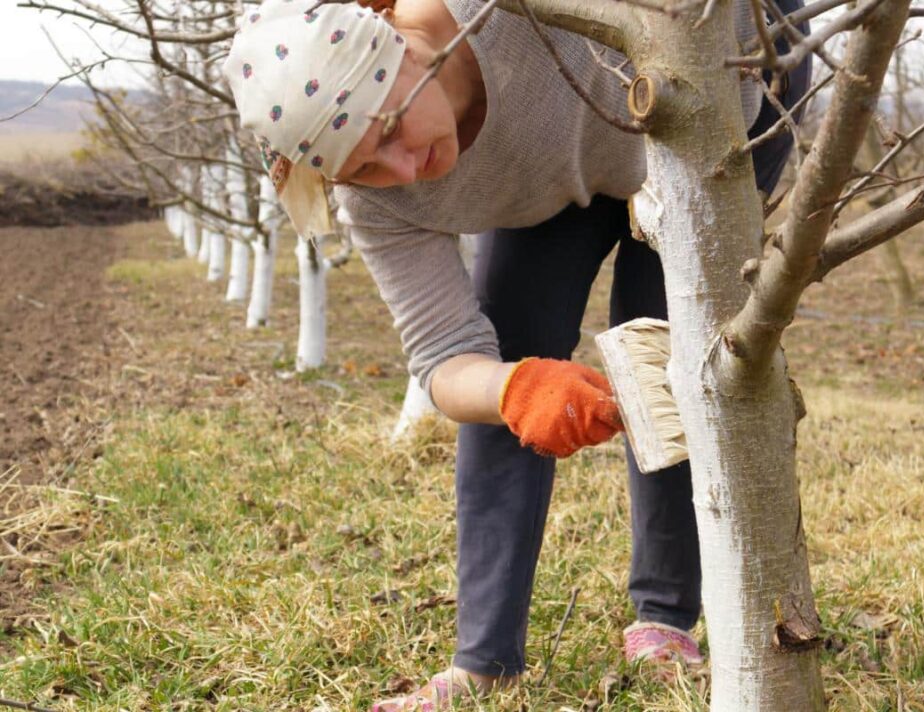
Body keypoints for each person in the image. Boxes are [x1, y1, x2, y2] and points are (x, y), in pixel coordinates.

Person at [224, 0, 811, 708]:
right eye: (364, 169)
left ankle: (666, 617)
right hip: (551, 177)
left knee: (672, 355)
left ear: (404, 51)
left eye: (388, 129)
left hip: (722, 94)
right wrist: (515, 388)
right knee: (511, 351)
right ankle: (485, 661)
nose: (406, 168)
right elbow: (444, 357)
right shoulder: (384, 203)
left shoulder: (505, 15)